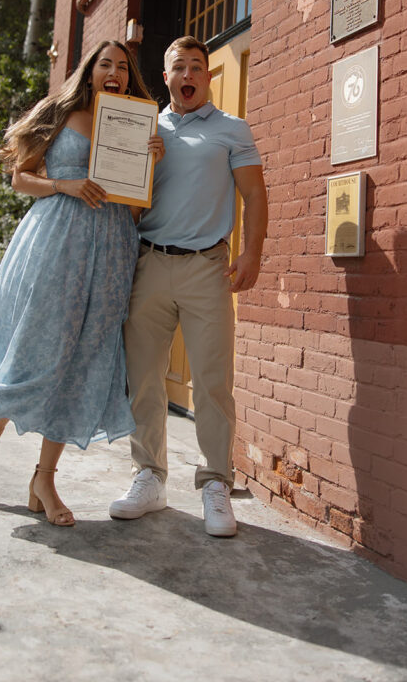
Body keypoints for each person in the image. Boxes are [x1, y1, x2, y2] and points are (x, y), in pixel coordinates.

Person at [0, 40, 161, 527]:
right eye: (105, 64)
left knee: (84, 359)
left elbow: (135, 206)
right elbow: (20, 180)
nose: (114, 72)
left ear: (130, 78)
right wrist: (64, 184)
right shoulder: (57, 110)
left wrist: (152, 161)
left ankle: (43, 479)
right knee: (36, 347)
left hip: (111, 247)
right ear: (90, 71)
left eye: (124, 67)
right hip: (56, 241)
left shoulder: (137, 121)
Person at [109, 35, 268, 537]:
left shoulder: (232, 129)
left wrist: (252, 253)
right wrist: (147, 160)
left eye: (198, 67)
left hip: (207, 268)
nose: (189, 75)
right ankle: (149, 476)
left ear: (207, 77)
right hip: (149, 263)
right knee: (145, 378)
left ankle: (216, 484)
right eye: (180, 66)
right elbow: (127, 206)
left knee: (213, 381)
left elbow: (254, 195)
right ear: (167, 75)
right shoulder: (144, 126)